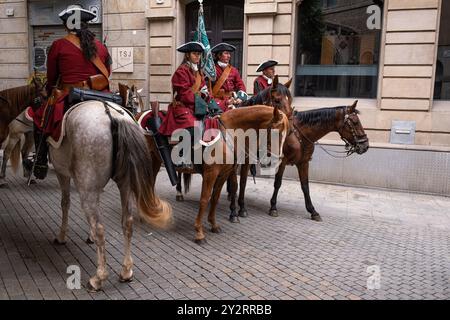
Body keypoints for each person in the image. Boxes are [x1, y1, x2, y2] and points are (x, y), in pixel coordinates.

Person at [32, 5, 111, 179]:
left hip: (70, 95)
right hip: (101, 95)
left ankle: (40, 159)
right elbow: (108, 73)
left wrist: (50, 89)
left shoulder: (58, 45)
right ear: (86, 25)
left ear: (67, 26)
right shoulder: (101, 47)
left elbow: (52, 77)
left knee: (40, 117)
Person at [211, 43, 247, 111]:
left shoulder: (234, 70)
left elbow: (240, 85)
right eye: (226, 53)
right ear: (219, 55)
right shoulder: (212, 70)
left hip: (233, 101)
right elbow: (209, 89)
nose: (229, 56)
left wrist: (240, 98)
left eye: (229, 54)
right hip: (217, 103)